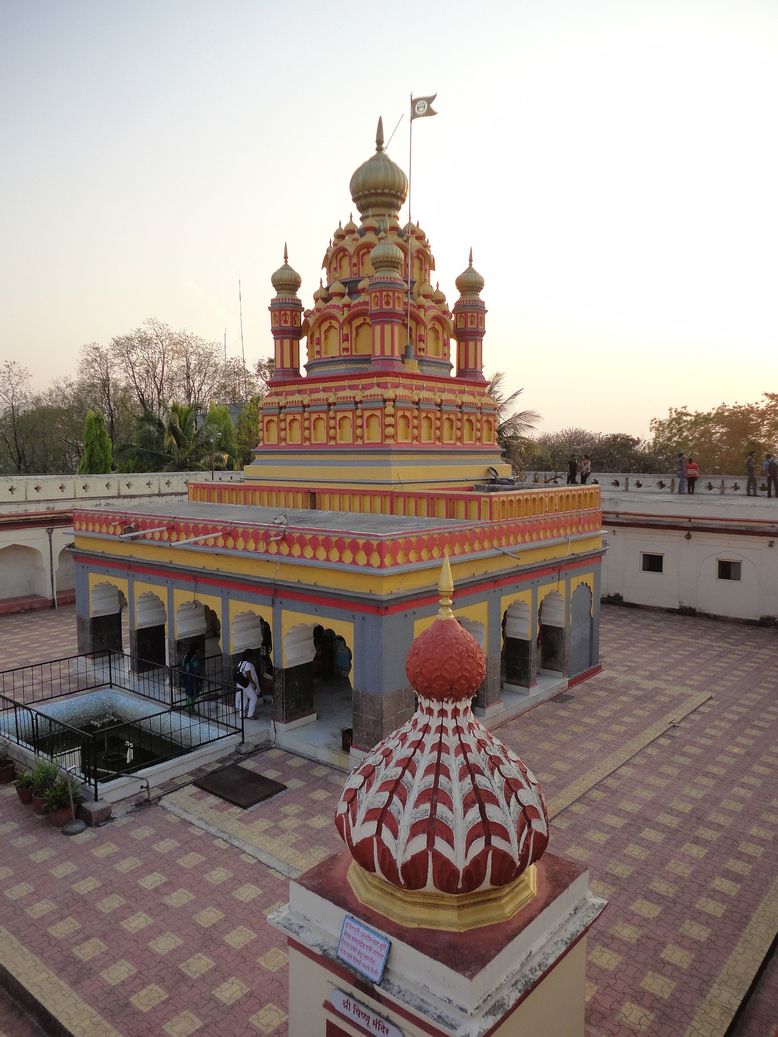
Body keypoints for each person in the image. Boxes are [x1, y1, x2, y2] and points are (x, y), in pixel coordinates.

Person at [234, 651, 259, 719]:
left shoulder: (241, 662)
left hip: (240, 683)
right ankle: (250, 714)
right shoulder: (247, 664)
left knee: (244, 699)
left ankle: (241, 715)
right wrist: (253, 683)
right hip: (245, 684)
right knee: (254, 698)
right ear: (249, 656)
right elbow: (248, 674)